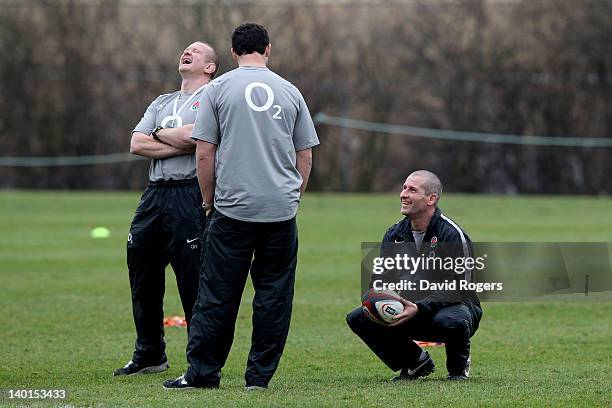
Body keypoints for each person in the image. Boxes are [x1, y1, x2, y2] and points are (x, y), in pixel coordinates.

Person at [163, 22, 319, 390]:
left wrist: (208, 201)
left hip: (232, 210)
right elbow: (305, 155)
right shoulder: (290, 91)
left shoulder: (217, 89)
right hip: (280, 211)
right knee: (274, 297)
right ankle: (259, 380)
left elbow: (204, 152)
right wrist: (292, 197)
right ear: (267, 49)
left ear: (232, 53)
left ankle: (203, 375)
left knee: (217, 295)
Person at [113, 41, 219, 377]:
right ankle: (150, 354)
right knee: (141, 270)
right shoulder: (162, 101)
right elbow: (136, 142)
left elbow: (199, 138)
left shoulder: (214, 97)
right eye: (185, 49)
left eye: (197, 51)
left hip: (190, 193)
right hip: (154, 194)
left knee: (191, 278)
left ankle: (198, 361)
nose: (187, 52)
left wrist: (161, 135)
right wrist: (175, 138)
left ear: (210, 67)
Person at [346, 170, 483, 381]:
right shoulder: (394, 234)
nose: (403, 194)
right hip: (410, 307)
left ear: (431, 199)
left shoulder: (452, 234)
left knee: (454, 320)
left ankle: (458, 369)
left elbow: (460, 289)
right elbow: (379, 282)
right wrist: (377, 301)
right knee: (359, 317)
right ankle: (416, 362)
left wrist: (420, 307)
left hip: (451, 308)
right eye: (403, 188)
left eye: (412, 189)